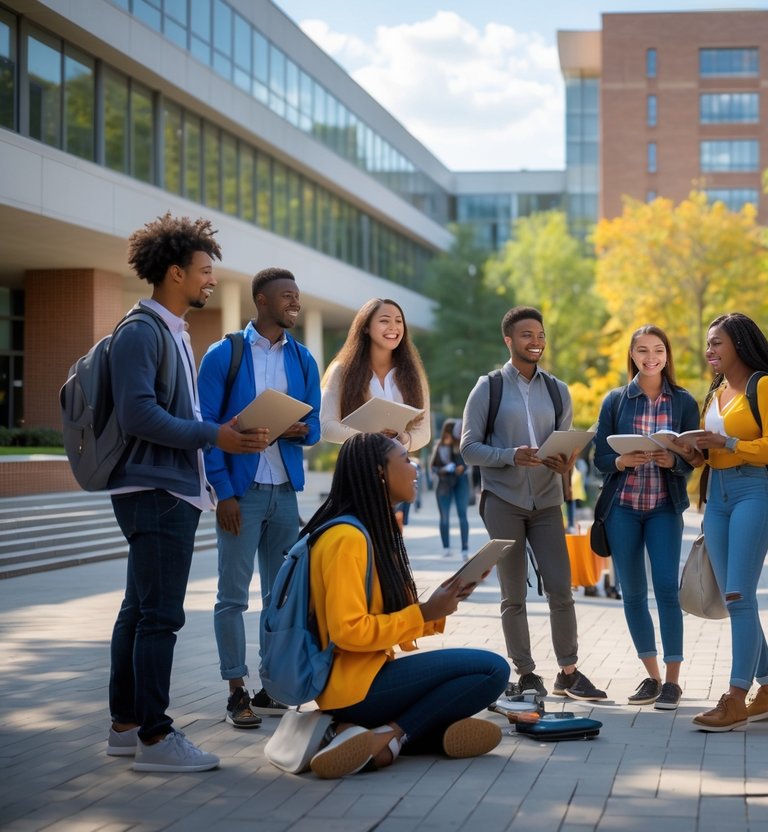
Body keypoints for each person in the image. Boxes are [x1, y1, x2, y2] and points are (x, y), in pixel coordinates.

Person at [106, 213, 269, 772]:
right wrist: (214, 435)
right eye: (204, 271)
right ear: (175, 273)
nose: (211, 281)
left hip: (167, 488)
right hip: (154, 491)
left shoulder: (169, 330)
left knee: (139, 609)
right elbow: (137, 413)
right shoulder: (141, 331)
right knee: (160, 618)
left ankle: (126, 727)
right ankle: (156, 737)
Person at [302, 433, 509, 779]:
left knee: (478, 673)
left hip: (364, 681)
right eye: (406, 459)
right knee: (492, 670)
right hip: (354, 689)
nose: (415, 468)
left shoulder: (364, 531)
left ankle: (368, 736)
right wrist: (425, 613)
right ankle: (391, 735)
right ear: (379, 473)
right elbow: (348, 631)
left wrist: (445, 600)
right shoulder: (346, 540)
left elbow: (382, 618)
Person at [460, 306, 607, 701]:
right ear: (509, 340)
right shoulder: (488, 387)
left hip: (546, 501)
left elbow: (565, 446)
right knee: (514, 593)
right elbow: (468, 448)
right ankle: (525, 673)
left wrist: (566, 460)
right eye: (527, 335)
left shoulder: (558, 389)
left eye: (540, 334)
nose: (536, 341)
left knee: (561, 587)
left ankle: (569, 672)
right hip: (502, 500)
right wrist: (510, 455)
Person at [198, 267, 322, 729]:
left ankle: (272, 687)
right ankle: (236, 691)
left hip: (285, 492)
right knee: (232, 597)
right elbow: (206, 429)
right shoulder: (224, 354)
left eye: (297, 295)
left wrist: (298, 429)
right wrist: (223, 494)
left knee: (281, 595)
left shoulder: (304, 358)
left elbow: (314, 428)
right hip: (241, 494)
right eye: (287, 296)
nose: (295, 303)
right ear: (262, 301)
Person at [679, 313, 768, 733]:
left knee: (740, 595)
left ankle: (736, 697)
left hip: (751, 493)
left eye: (717, 343)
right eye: (707, 344)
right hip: (718, 496)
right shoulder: (716, 392)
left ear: (739, 344)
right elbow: (712, 454)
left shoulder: (764, 386)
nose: (709, 351)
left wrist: (725, 442)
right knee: (733, 598)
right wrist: (690, 450)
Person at [591, 325, 699, 711]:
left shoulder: (684, 401)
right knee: (633, 593)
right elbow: (600, 458)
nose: (650, 357)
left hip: (664, 508)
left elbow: (695, 457)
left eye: (657, 350)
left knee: (667, 589)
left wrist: (675, 461)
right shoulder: (616, 401)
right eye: (642, 350)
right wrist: (620, 460)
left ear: (667, 354)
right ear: (632, 355)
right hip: (623, 508)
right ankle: (651, 676)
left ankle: (672, 682)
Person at [319, 298, 430, 452]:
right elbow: (326, 427)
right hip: (358, 467)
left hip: (399, 468)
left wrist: (404, 438)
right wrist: (368, 437)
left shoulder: (414, 375)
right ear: (365, 327)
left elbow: (424, 431)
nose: (393, 327)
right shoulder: (341, 371)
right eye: (384, 321)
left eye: (399, 321)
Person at [431, 418, 471, 558]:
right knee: (445, 517)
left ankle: (464, 548)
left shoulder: (461, 446)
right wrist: (445, 465)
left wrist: (460, 465)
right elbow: (434, 468)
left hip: (461, 481)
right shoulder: (440, 447)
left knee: (462, 515)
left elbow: (466, 463)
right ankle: (446, 547)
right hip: (444, 482)